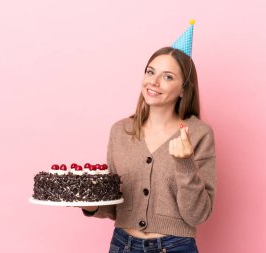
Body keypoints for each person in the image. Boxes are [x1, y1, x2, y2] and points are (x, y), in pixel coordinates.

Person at [82, 21, 216, 253]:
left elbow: (197, 215)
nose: (153, 82)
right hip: (122, 244)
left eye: (167, 77)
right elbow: (116, 205)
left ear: (184, 89)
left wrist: (185, 163)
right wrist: (93, 205)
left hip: (175, 247)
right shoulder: (120, 131)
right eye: (150, 72)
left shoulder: (199, 133)